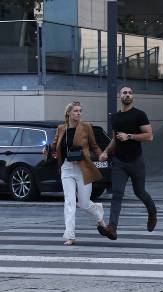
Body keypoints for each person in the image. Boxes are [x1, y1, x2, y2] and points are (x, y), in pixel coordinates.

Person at [98, 86, 156, 241]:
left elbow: (149, 136)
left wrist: (129, 136)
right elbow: (115, 139)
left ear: (133, 97)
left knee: (140, 192)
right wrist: (105, 152)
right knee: (117, 194)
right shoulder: (115, 118)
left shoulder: (139, 115)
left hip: (136, 160)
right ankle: (112, 228)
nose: (128, 95)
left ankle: (152, 211)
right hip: (119, 162)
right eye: (125, 93)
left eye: (130, 93)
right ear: (120, 96)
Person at [44, 101, 106, 246]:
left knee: (83, 203)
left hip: (83, 168)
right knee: (69, 202)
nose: (78, 113)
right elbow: (54, 147)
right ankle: (70, 235)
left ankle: (98, 211)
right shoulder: (61, 129)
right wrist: (47, 150)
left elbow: (94, 145)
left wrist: (102, 155)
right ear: (69, 113)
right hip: (66, 168)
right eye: (76, 111)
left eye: (80, 111)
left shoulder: (86, 127)